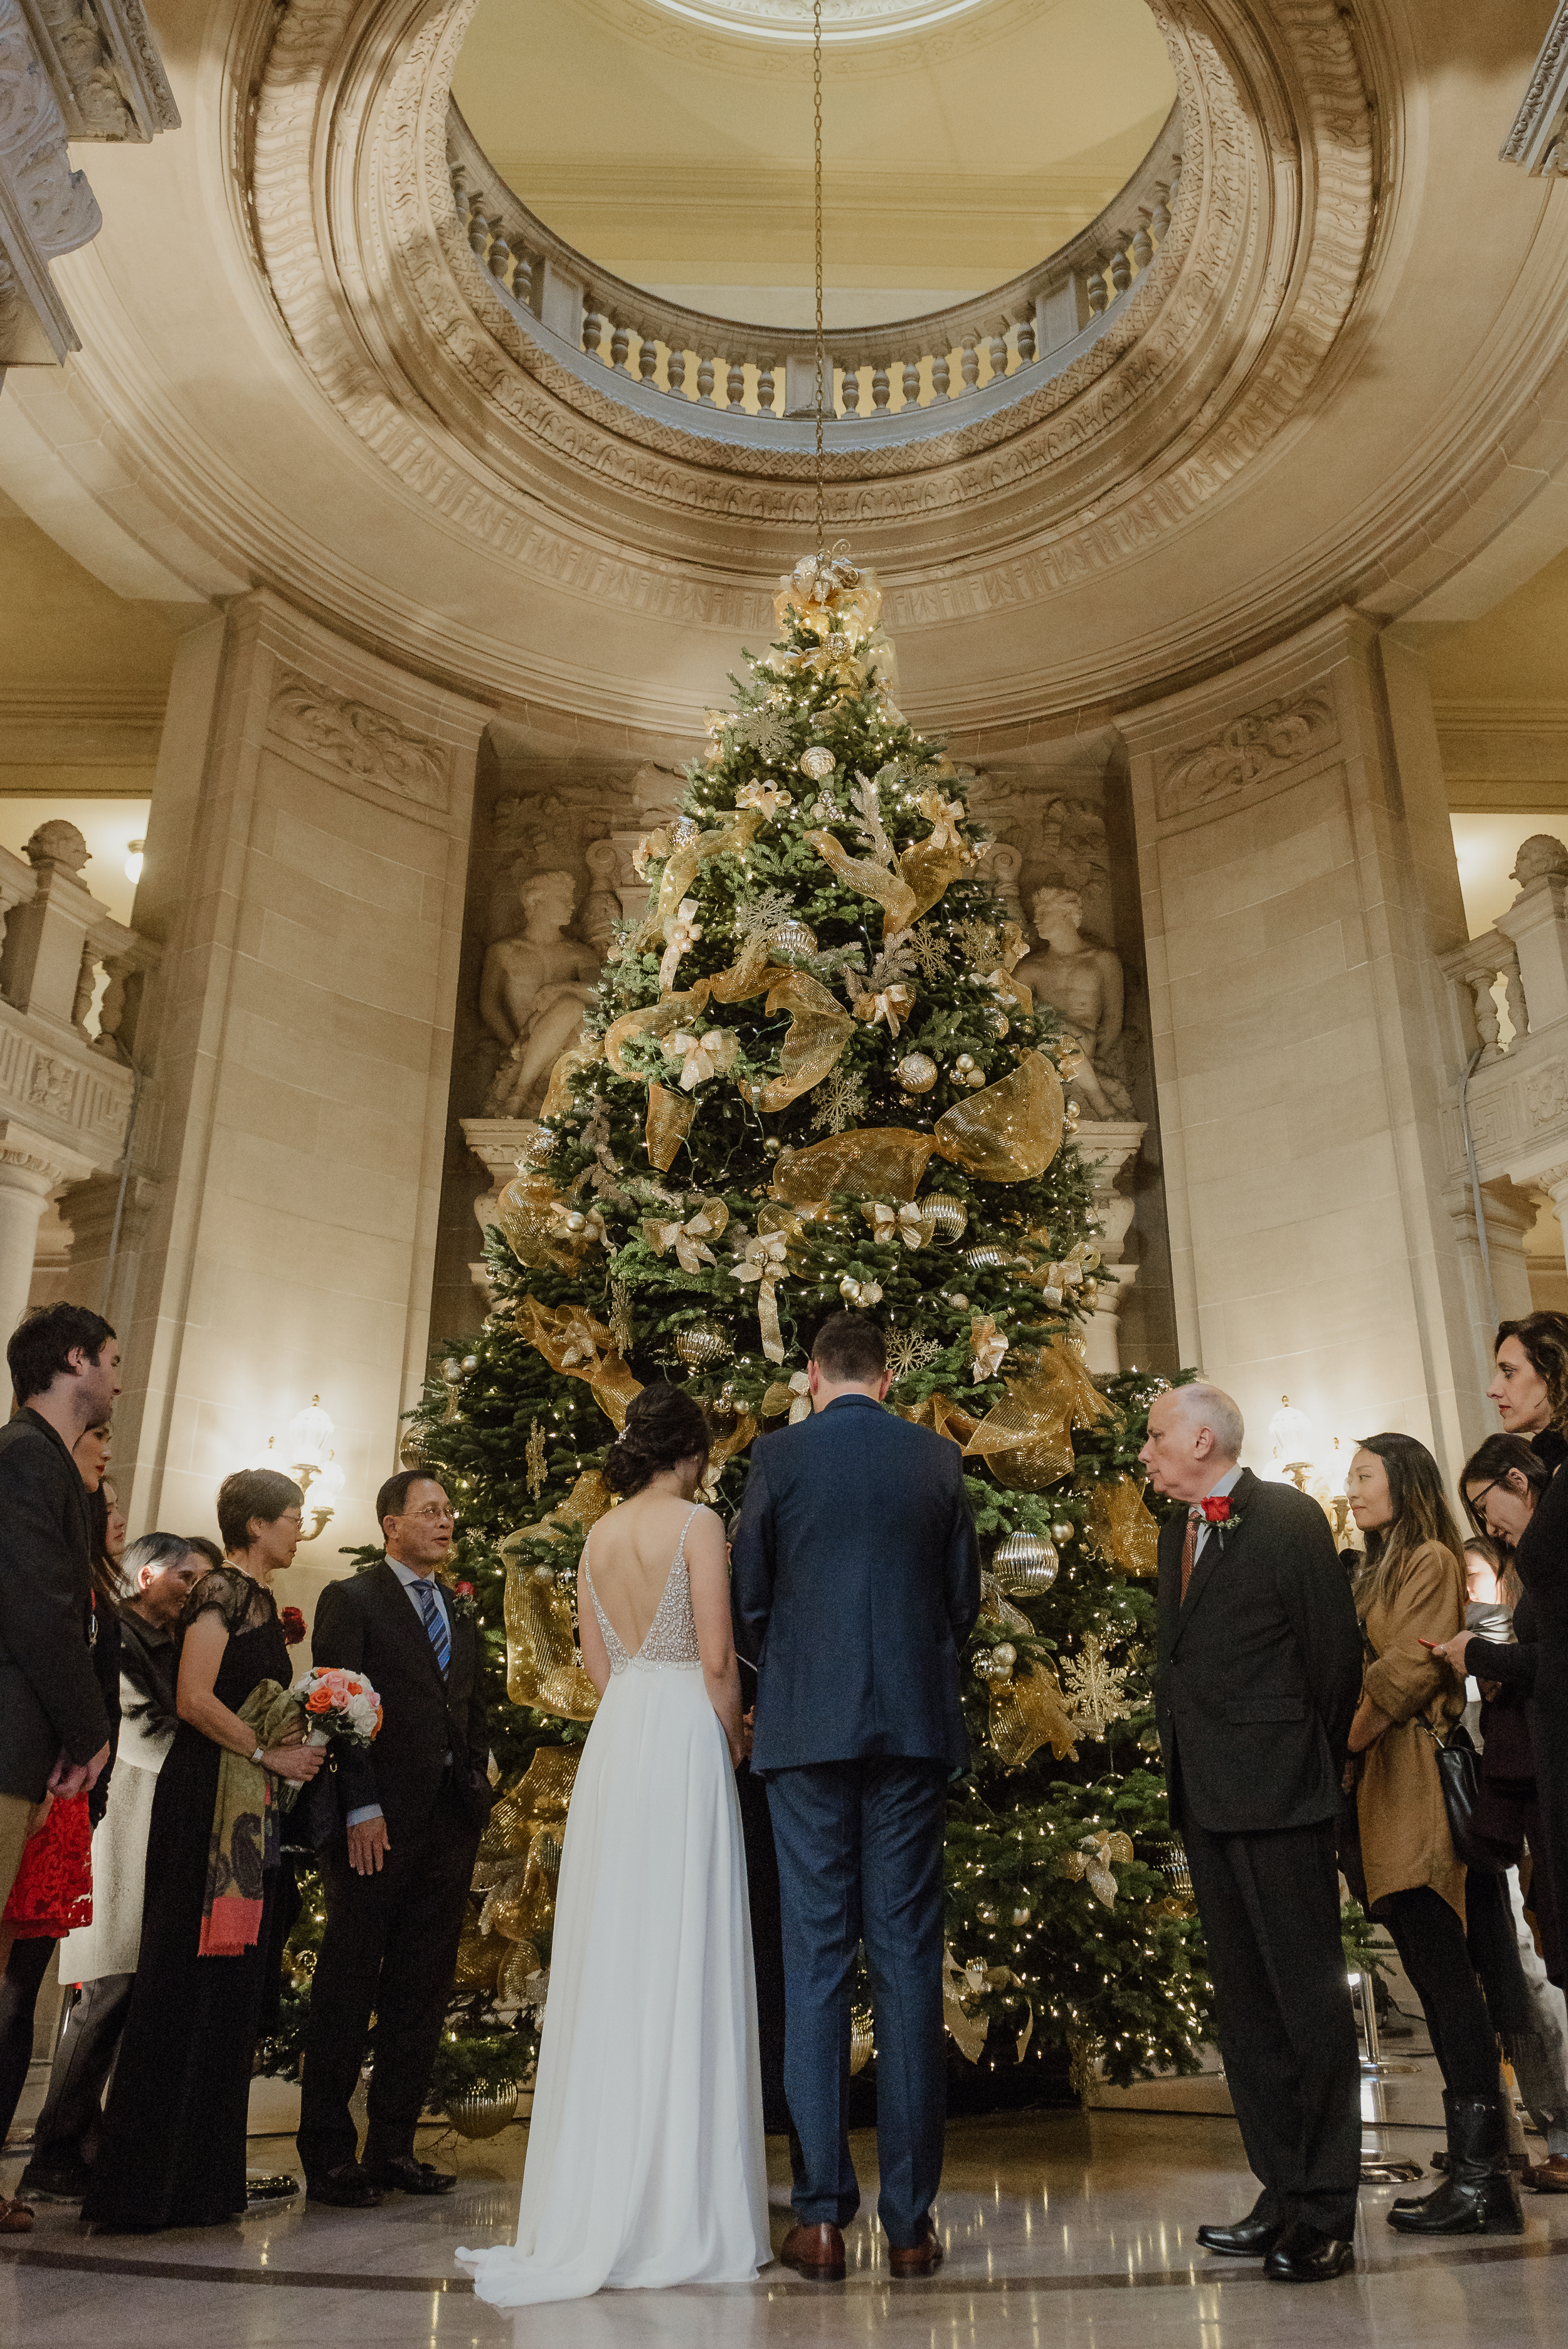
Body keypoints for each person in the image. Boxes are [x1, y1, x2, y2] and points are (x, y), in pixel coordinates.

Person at [458, 1385, 768, 2306]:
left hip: (621, 1733)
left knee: (616, 1958)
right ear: (695, 1452)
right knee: (686, 1948)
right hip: (679, 1733)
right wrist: (733, 1736)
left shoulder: (595, 1537)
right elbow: (717, 1657)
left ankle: (595, 2199)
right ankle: (683, 2203)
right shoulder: (698, 1523)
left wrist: (645, 1692)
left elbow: (597, 1668)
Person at [730, 1312, 981, 2285]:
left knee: (816, 1962)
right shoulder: (937, 1460)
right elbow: (961, 1601)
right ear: (886, 1376)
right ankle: (911, 2224)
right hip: (912, 1730)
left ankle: (824, 2218)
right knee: (911, 1965)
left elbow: (751, 1597)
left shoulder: (779, 1457)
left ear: (811, 1375)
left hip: (805, 1734)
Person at [1140, 1381, 1362, 2284]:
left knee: (1307, 2008)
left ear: (1202, 1438)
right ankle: (1280, 2187)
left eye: (1156, 1437)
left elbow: (1334, 1661)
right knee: (1248, 2012)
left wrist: (1298, 1759)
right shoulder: (1172, 1532)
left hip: (1282, 1798)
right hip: (1208, 1799)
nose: (1146, 1452)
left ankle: (1327, 2212)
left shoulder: (1289, 1518)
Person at [82, 1471, 323, 2231]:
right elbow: (192, 1698)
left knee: (227, 1990)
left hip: (240, 1807)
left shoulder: (249, 1597)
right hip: (204, 1800)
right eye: (291, 1517)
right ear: (254, 1524)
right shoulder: (221, 1590)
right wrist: (268, 1754)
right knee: (183, 1981)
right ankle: (146, 2183)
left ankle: (199, 2181)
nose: (299, 1530)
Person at [1342, 1432, 1522, 2235]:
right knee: (1435, 1971)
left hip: (1414, 1783)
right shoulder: (1372, 1563)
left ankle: (1483, 2176)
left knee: (1450, 1977)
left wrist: (1344, 1734)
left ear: (1402, 1480)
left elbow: (1405, 1671)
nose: (1350, 1488)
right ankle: (1480, 2168)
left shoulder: (1431, 1559)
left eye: (1364, 1474)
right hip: (1382, 1788)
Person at [299, 1470, 492, 2207]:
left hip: (447, 1821)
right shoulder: (351, 1599)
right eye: (430, 1511)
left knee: (420, 1986)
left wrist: (476, 1780)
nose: (445, 1522)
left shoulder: (458, 1607)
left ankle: (392, 2147)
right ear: (391, 1524)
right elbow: (335, 1706)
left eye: (449, 1510)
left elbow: (468, 1708)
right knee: (349, 1983)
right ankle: (327, 2153)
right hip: (373, 1825)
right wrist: (360, 1806)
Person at [18, 1535, 208, 2203]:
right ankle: (54, 2147)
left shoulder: (170, 1644)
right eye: (186, 1577)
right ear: (147, 1574)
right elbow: (140, 1731)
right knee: (102, 1989)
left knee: (123, 1988)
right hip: (118, 1827)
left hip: (153, 1827)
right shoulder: (118, 1639)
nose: (194, 1591)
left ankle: (86, 2136)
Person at [1424, 1433, 1568, 2188]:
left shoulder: (1545, 1571)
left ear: (1520, 1480)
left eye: (1490, 1509)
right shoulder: (1531, 1574)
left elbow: (1548, 1664)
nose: (1491, 1527)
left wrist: (1473, 1653)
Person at [0, 1414, 125, 2232]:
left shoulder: (89, 1586)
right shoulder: (33, 1574)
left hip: (66, 1803)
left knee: (19, 1993)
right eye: (92, 1445)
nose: (104, 1458)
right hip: (24, 1783)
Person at [0, 1306, 119, 1919]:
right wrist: (89, 1735)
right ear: (77, 1359)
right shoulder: (27, 1456)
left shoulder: (41, 1456)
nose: (118, 1381)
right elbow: (40, 1609)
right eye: (113, 1360)